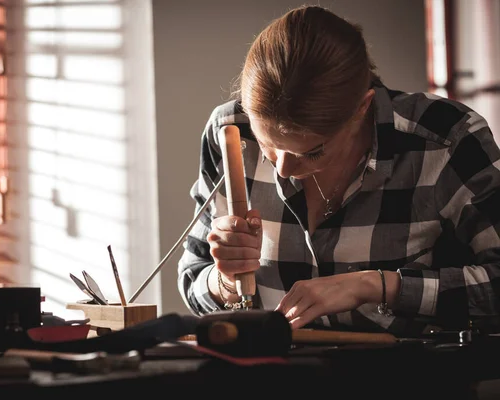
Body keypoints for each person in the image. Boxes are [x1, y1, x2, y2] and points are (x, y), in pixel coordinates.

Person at [177, 5, 500, 337]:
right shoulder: (231, 132)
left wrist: (377, 285)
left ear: (362, 108)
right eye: (268, 144)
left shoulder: (445, 140)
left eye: (313, 150)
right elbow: (193, 280)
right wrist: (227, 279)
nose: (284, 169)